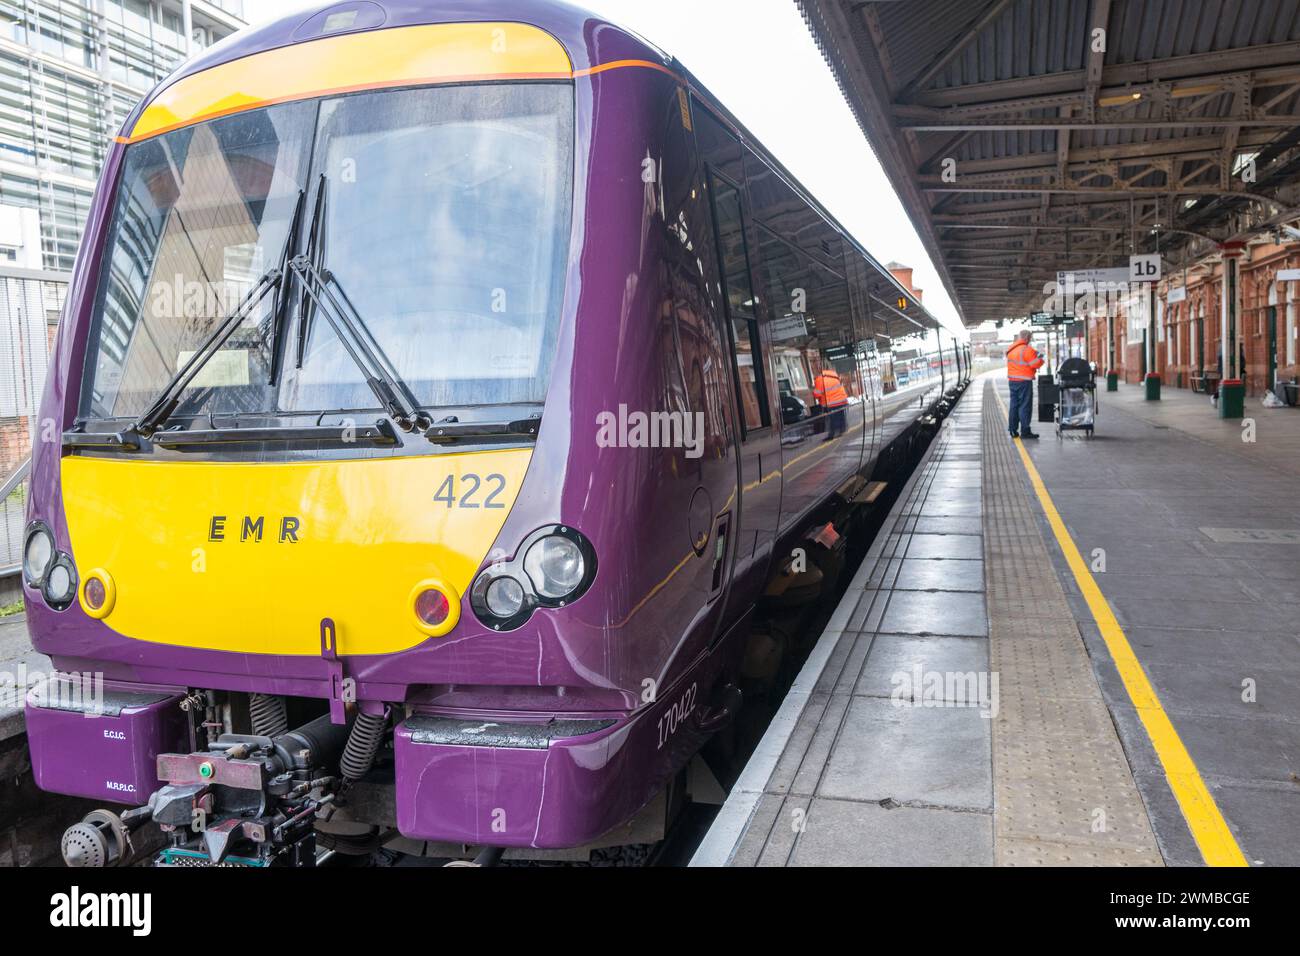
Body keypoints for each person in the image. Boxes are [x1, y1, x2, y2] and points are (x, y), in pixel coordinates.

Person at [1006, 330, 1044, 439]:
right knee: (1024, 406)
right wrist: (1040, 358)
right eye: (1030, 338)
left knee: (1014, 405)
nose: (1030, 340)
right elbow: (1035, 364)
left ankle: (1013, 430)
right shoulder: (1027, 350)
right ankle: (1025, 431)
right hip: (1024, 382)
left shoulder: (1011, 349)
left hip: (1012, 381)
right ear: (1027, 338)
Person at [812, 366, 849, 441]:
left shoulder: (819, 379)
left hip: (832, 403)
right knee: (840, 416)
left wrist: (813, 391)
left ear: (818, 372)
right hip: (842, 400)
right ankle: (842, 430)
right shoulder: (833, 375)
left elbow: (817, 394)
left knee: (832, 419)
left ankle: (832, 435)